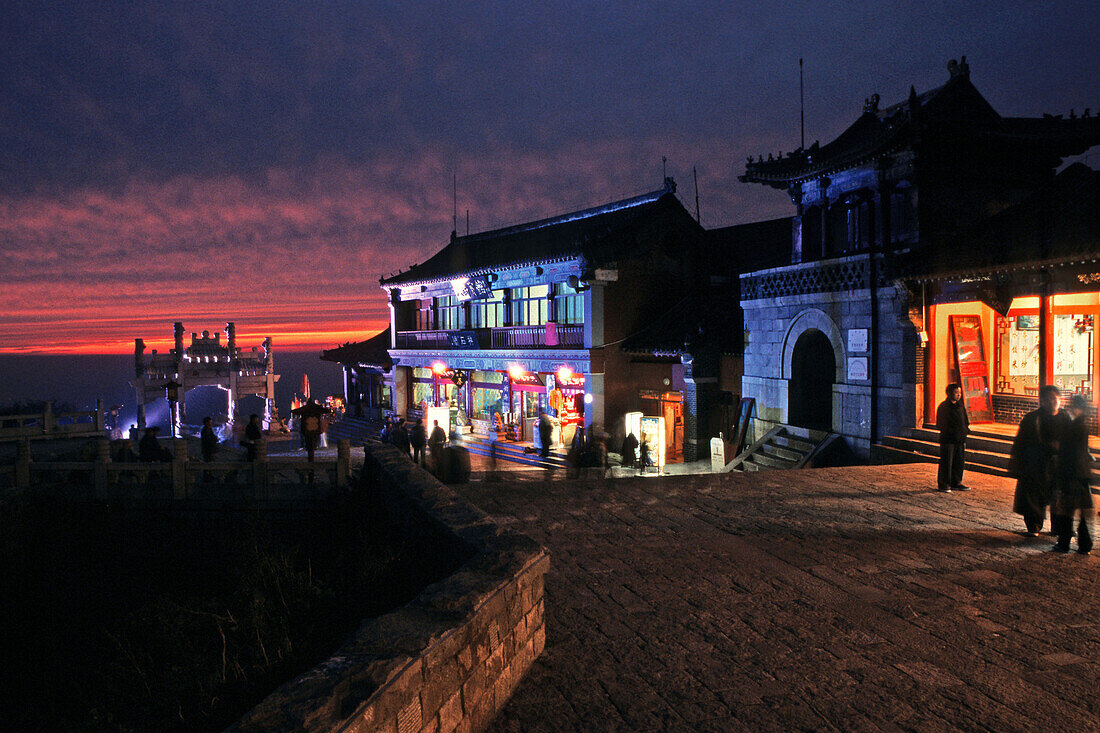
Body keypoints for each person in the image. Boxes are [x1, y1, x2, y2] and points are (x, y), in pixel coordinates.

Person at [1009, 385, 1069, 536]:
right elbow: (1020, 442)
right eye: (1047, 399)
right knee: (1033, 497)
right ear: (1041, 401)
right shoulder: (1032, 419)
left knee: (1059, 496)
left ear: (1059, 400)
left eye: (1054, 398)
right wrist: (1017, 463)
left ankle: (1058, 527)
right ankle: (1034, 526)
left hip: (1058, 464)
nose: (1051, 402)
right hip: (1036, 464)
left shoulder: (1066, 419)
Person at [1050, 394, 1094, 554]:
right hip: (1082, 474)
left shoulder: (1075, 426)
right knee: (1081, 512)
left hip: (1072, 473)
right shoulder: (1082, 425)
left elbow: (1069, 451)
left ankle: (1064, 543)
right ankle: (1084, 544)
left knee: (1067, 510)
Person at [935, 383, 970, 492]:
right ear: (949, 393)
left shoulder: (960, 407)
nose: (958, 395)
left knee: (959, 462)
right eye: (956, 393)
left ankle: (956, 482)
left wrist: (965, 431)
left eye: (959, 393)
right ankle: (944, 484)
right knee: (947, 462)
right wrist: (951, 432)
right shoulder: (944, 407)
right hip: (948, 439)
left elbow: (965, 421)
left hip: (960, 439)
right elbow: (940, 424)